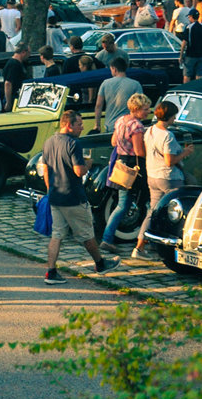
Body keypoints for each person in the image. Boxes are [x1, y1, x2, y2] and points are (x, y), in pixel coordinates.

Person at [41, 110, 122, 282]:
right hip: (73, 197)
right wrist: (88, 165)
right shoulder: (73, 144)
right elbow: (79, 171)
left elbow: (46, 169)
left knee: (57, 235)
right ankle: (100, 264)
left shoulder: (49, 142)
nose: (82, 127)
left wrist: (50, 190)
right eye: (79, 124)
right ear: (69, 125)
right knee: (86, 233)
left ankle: (51, 271)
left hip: (56, 196)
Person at [132, 101, 193, 260]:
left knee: (152, 211)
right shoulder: (167, 135)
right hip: (169, 178)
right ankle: (179, 245)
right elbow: (169, 161)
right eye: (174, 115)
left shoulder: (150, 130)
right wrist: (186, 152)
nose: (175, 118)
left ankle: (140, 246)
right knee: (180, 209)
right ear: (169, 116)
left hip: (152, 175)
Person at [100, 93, 151, 253]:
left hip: (120, 164)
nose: (148, 112)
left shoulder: (121, 120)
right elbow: (139, 151)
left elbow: (113, 141)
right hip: (132, 166)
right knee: (145, 201)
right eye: (145, 109)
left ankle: (107, 238)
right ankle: (146, 238)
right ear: (136, 109)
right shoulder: (137, 126)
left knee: (123, 204)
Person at [93, 57, 142, 133]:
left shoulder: (105, 83)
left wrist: (97, 125)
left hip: (111, 126)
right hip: (129, 126)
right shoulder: (136, 84)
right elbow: (139, 106)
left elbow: (98, 105)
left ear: (114, 68)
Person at [0, 44, 29, 111]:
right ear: (23, 52)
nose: (29, 55)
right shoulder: (13, 64)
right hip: (13, 98)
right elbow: (8, 83)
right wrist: (8, 102)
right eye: (28, 53)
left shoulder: (19, 63)